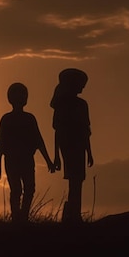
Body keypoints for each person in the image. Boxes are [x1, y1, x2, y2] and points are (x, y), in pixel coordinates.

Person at [0, 82, 55, 222]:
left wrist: (49, 161)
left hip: (25, 160)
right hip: (13, 160)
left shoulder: (29, 119)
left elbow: (39, 141)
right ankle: (17, 217)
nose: (22, 98)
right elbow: (1, 144)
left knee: (28, 188)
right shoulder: (7, 119)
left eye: (23, 95)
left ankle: (23, 216)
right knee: (17, 189)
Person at [50, 68, 94, 225]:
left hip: (79, 146)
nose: (83, 87)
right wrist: (56, 155)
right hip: (69, 145)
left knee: (78, 180)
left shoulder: (82, 104)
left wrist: (89, 152)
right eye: (81, 84)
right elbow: (58, 131)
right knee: (75, 180)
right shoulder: (62, 106)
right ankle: (72, 214)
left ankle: (73, 212)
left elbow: (86, 131)